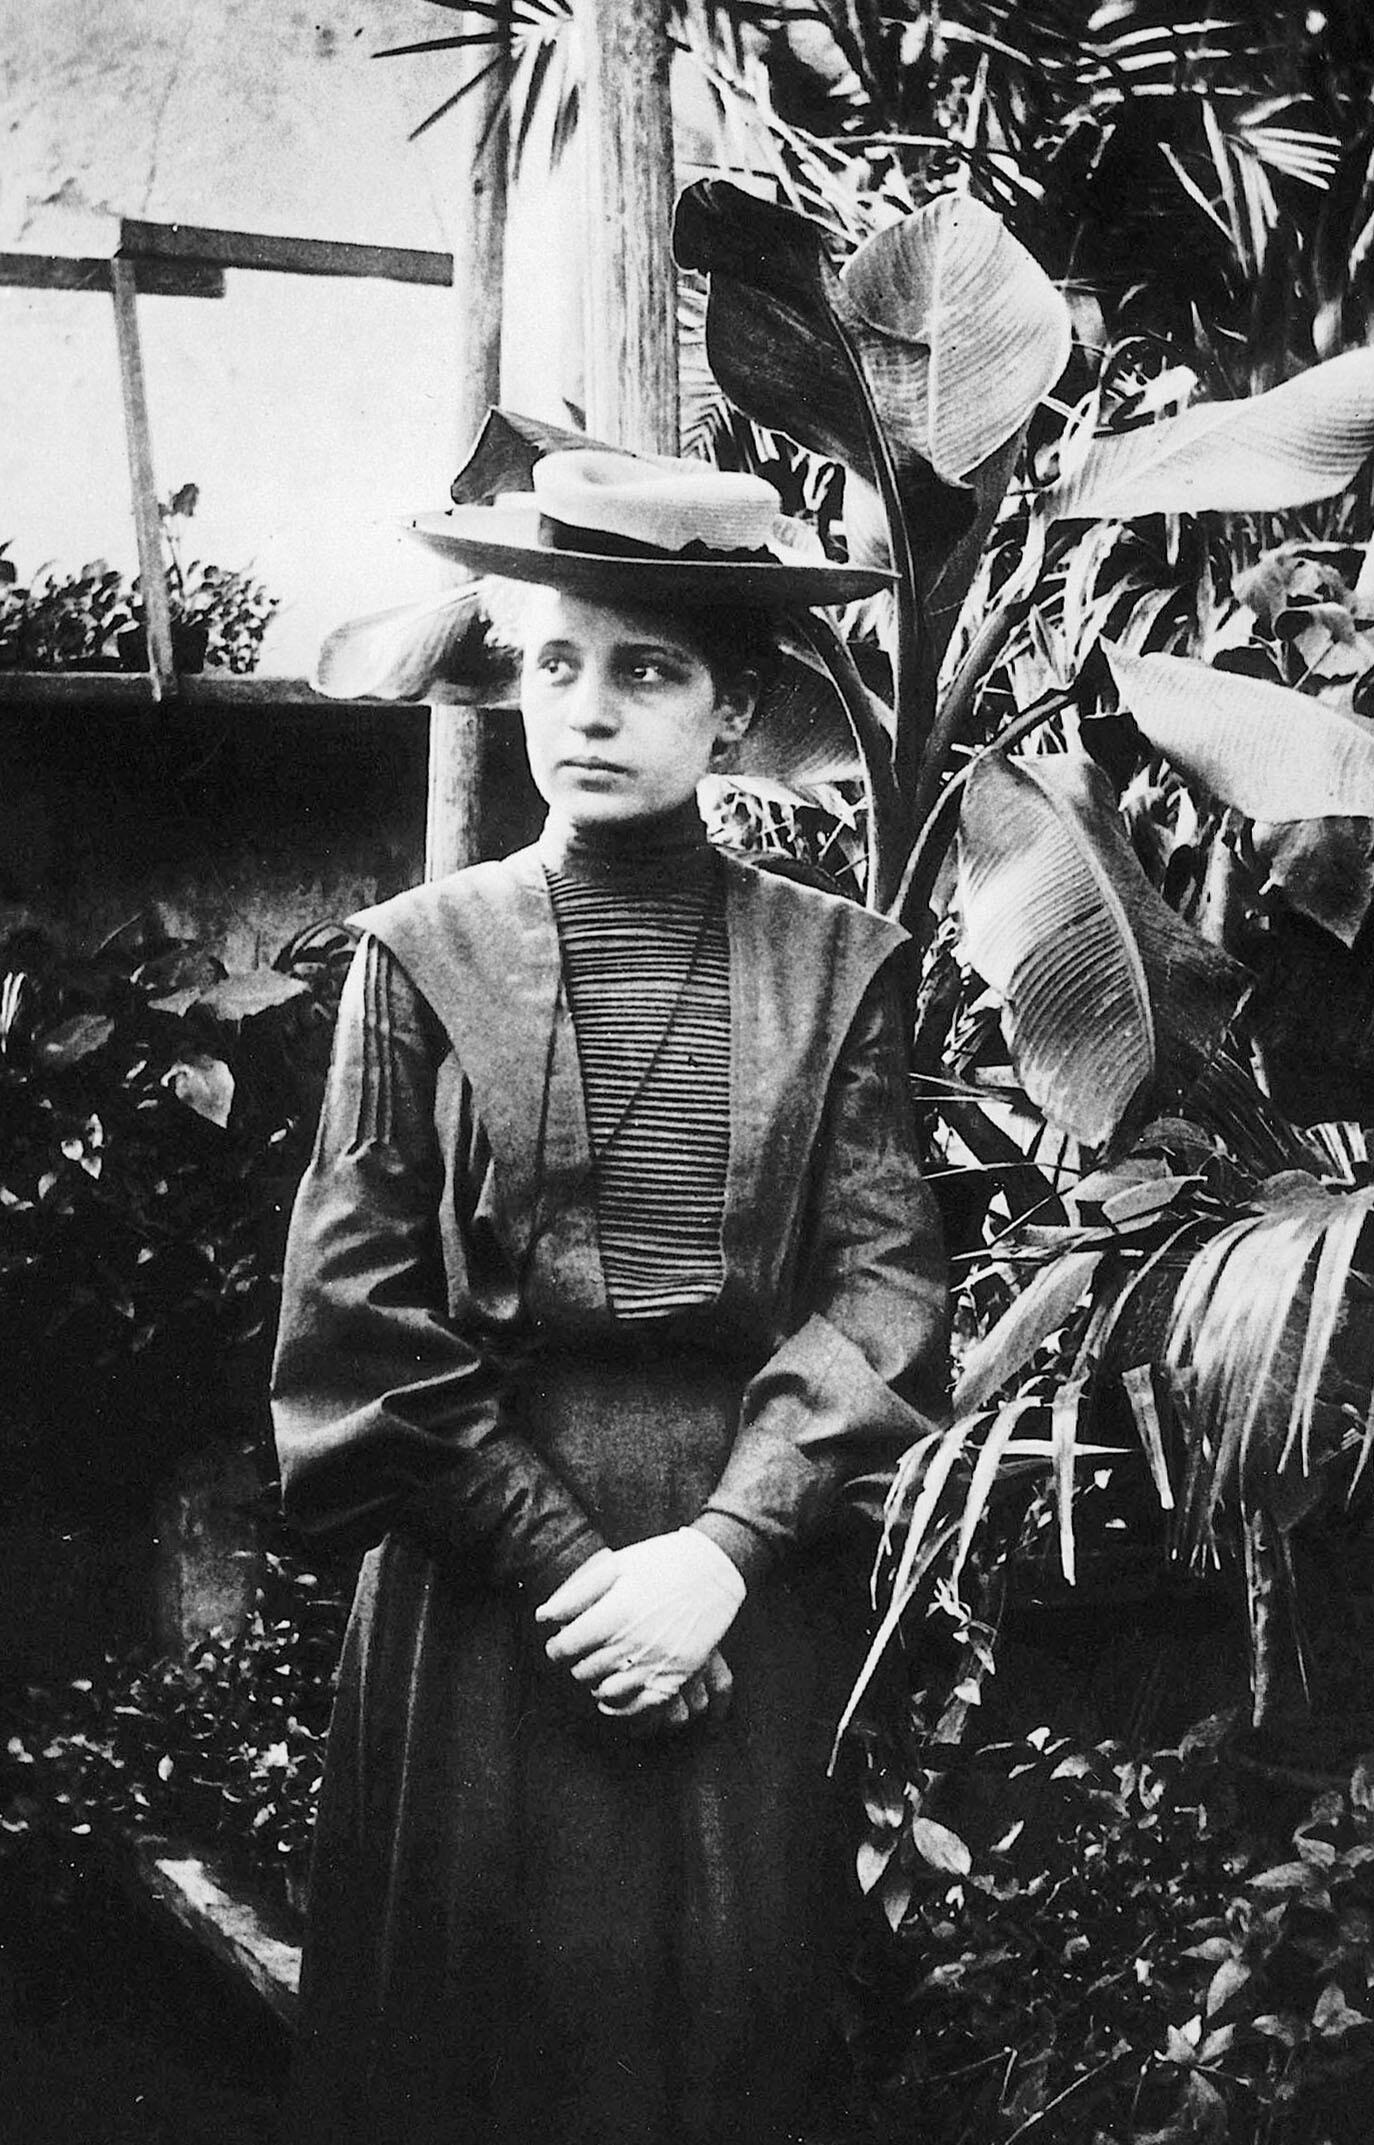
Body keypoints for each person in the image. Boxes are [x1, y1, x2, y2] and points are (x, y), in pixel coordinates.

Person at [271, 446, 949, 2145]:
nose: (587, 708)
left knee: (719, 2033)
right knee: (468, 2049)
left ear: (734, 711)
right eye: (556, 661)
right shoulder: (416, 957)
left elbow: (879, 1291)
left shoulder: (837, 964)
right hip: (484, 1591)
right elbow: (355, 1316)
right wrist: (578, 1574)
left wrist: (717, 1555)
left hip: (738, 1585)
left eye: (648, 670)